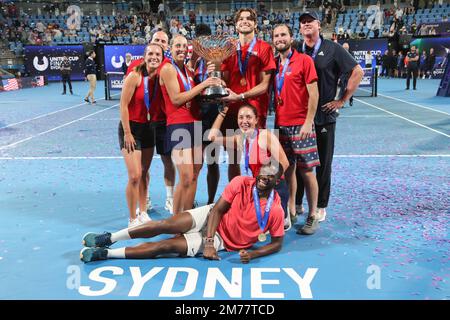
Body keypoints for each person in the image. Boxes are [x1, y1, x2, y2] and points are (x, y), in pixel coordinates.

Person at [80, 163, 285, 263]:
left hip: (226, 241)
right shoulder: (241, 182)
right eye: (264, 171)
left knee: (165, 245)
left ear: (278, 181)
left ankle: (106, 253)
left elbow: (276, 243)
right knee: (165, 225)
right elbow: (218, 210)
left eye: (271, 175)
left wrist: (255, 253)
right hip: (211, 217)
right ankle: (110, 238)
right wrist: (208, 243)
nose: (264, 177)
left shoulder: (275, 210)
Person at [295, 11, 364, 225]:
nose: (306, 25)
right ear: (300, 28)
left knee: (323, 164)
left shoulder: (332, 49)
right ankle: (297, 203)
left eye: (310, 22)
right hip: (299, 116)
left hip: (324, 115)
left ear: (318, 24)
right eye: (303, 22)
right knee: (299, 162)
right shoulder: (296, 49)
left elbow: (357, 72)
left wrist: (342, 100)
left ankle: (321, 205)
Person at [159, 34, 222, 215]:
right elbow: (177, 99)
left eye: (184, 46)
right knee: (185, 177)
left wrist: (211, 77)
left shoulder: (188, 71)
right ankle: (176, 218)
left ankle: (187, 218)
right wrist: (203, 85)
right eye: (177, 45)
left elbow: (197, 95)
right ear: (170, 48)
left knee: (194, 174)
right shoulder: (168, 69)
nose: (180, 49)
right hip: (178, 126)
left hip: (195, 124)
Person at [208, 104, 291, 229]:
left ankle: (283, 211)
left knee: (252, 225)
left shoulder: (265, 135)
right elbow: (212, 137)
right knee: (235, 217)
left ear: (256, 120)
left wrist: (267, 186)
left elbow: (285, 162)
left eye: (248, 117)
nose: (244, 121)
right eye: (240, 118)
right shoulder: (240, 139)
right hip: (257, 188)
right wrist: (222, 112)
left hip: (274, 188)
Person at [271, 24, 321, 235]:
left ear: (291, 38)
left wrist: (309, 121)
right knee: (286, 169)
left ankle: (312, 215)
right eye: (276, 35)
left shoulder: (304, 60)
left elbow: (314, 94)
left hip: (301, 125)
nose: (280, 38)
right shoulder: (273, 64)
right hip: (280, 125)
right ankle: (290, 209)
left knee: (307, 171)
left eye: (283, 35)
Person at [220, 8, 276, 181]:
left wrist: (240, 96)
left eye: (249, 19)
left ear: (255, 24)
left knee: (258, 157)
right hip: (232, 111)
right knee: (233, 159)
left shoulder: (265, 48)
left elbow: (265, 85)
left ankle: (260, 195)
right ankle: (237, 196)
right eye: (241, 19)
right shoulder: (228, 49)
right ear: (236, 25)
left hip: (255, 110)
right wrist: (217, 79)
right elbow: (225, 80)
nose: (245, 21)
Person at [126, 31, 176, 214]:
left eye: (163, 42)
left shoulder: (169, 67)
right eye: (157, 40)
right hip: (141, 124)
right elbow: (128, 98)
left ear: (167, 47)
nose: (160, 44)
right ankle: (144, 200)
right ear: (150, 43)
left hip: (162, 122)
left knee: (168, 161)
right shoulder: (135, 66)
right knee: (142, 167)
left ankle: (170, 199)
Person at [118, 43, 164, 227]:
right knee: (135, 175)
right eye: (150, 53)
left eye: (157, 54)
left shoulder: (160, 77)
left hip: (149, 128)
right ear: (144, 56)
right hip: (131, 129)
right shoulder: (135, 76)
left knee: (145, 173)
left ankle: (143, 211)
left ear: (162, 57)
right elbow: (123, 105)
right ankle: (132, 218)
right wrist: (127, 132)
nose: (154, 57)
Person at [192, 23, 221, 205]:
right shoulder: (192, 62)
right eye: (199, 41)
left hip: (213, 115)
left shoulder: (218, 60)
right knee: (195, 164)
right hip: (196, 115)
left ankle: (210, 201)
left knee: (212, 161)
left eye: (206, 41)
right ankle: (191, 199)